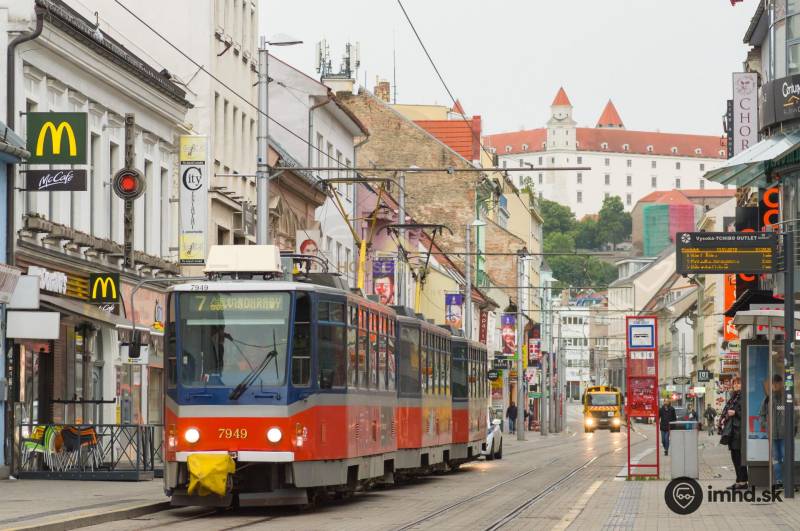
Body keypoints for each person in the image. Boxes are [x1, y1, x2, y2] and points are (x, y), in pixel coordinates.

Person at [721, 378, 748, 490]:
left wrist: (735, 412)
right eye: (735, 383)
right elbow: (726, 410)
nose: (736, 385)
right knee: (735, 456)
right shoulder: (733, 397)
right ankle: (739, 480)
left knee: (739, 457)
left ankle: (742, 482)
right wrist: (724, 417)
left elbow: (746, 413)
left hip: (739, 431)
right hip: (732, 431)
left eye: (739, 383)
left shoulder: (743, 397)